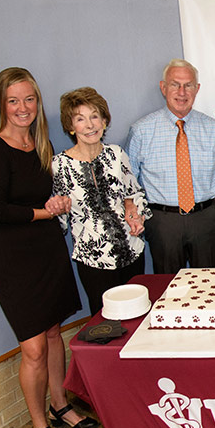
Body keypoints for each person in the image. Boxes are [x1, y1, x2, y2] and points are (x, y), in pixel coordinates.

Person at [0, 67, 98, 428]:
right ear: (0, 105)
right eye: (13, 100)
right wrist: (46, 213)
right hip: (15, 261)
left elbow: (59, 194)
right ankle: (39, 424)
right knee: (31, 349)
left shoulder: (41, 146)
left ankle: (61, 404)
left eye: (29, 99)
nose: (23, 107)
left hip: (49, 253)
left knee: (52, 333)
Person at [126, 59, 215, 274]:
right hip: (162, 222)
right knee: (169, 288)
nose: (181, 91)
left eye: (188, 85)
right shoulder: (141, 130)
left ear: (197, 89)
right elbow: (128, 185)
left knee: (210, 286)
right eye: (175, 84)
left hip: (205, 219)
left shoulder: (212, 129)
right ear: (163, 87)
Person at [52, 87, 151, 316]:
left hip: (132, 250)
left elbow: (134, 194)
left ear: (104, 121)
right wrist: (55, 210)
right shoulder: (59, 165)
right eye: (80, 119)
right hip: (94, 261)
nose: (89, 125)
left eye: (95, 116)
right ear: (70, 126)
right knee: (104, 322)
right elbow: (60, 221)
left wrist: (135, 212)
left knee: (137, 317)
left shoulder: (117, 154)